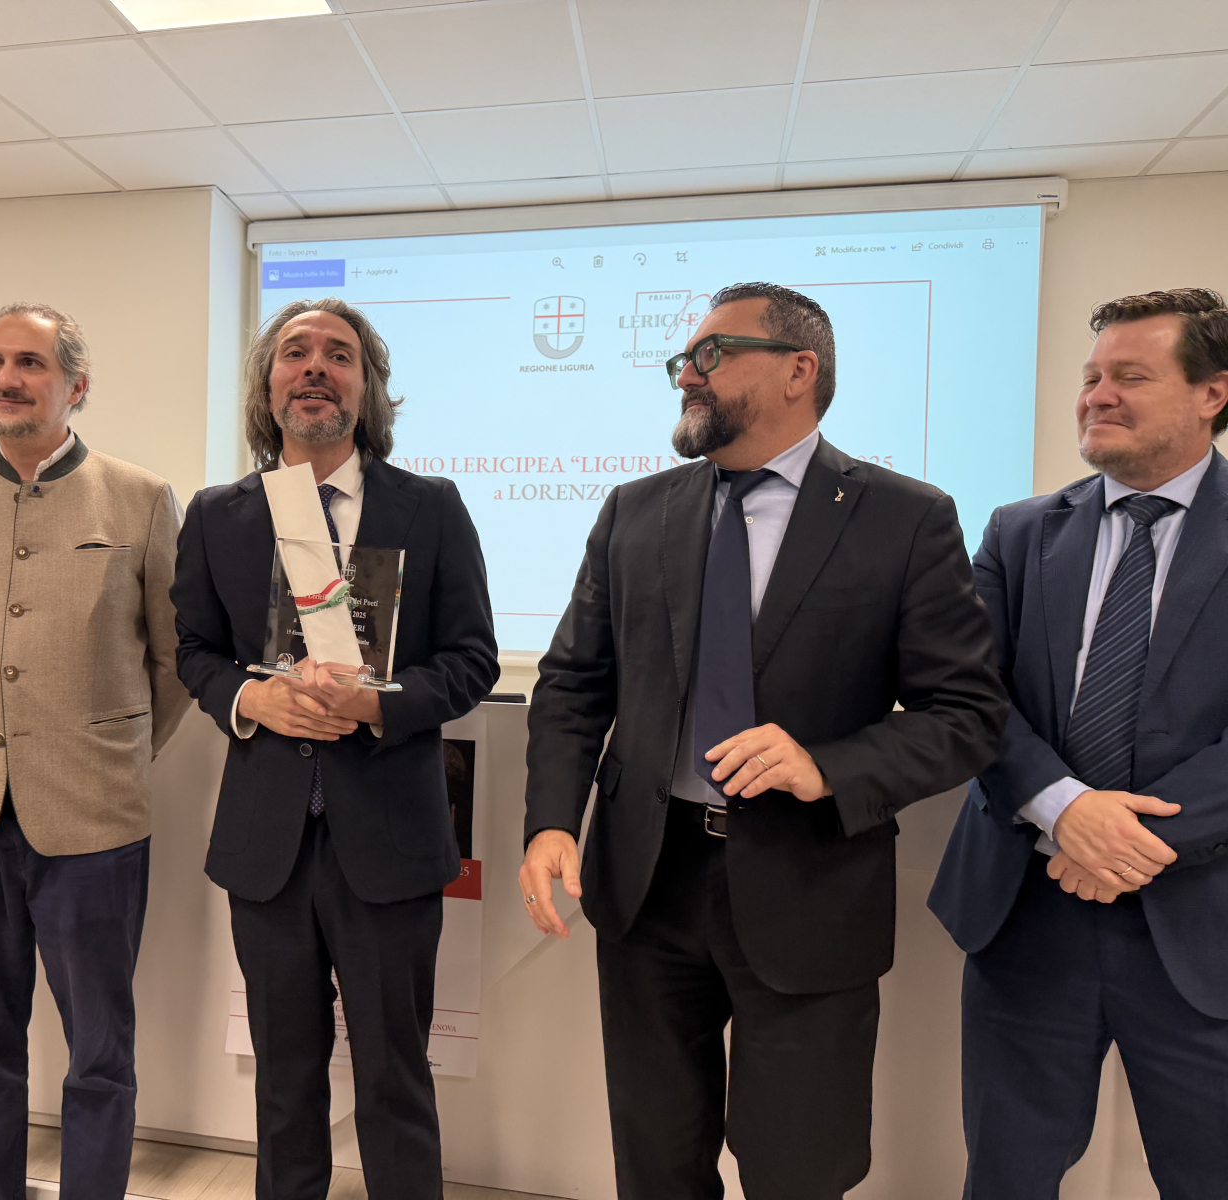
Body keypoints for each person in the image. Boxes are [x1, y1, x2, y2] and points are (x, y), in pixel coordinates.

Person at [521, 282, 1009, 1200]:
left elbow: (966, 714)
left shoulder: (906, 518)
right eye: (682, 360)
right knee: (657, 1164)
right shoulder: (635, 510)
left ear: (798, 370)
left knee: (797, 1168)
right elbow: (574, 683)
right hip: (647, 882)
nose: (687, 376)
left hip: (809, 885)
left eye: (711, 355)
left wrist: (828, 766)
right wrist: (551, 820)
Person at [172, 298, 497, 1200]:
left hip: (389, 839)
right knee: (283, 1081)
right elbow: (193, 651)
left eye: (340, 355)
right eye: (295, 352)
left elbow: (471, 660)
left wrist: (375, 704)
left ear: (367, 388)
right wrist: (253, 699)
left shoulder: (429, 508)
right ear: (267, 385)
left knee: (396, 1077)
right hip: (265, 845)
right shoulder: (218, 515)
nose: (315, 366)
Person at [929, 288, 1228, 1197]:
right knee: (1008, 1175)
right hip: (1027, 913)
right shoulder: (1018, 532)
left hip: (1202, 920)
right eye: (1092, 376)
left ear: (1213, 392)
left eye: (1130, 376)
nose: (1097, 395)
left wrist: (1122, 841)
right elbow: (969, 694)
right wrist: (1065, 812)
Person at [0, 303, 191, 1200]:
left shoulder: (139, 497)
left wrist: (109, 749)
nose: (6, 378)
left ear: (76, 386)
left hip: (93, 816)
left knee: (99, 1052)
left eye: (29, 362)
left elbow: (173, 661)